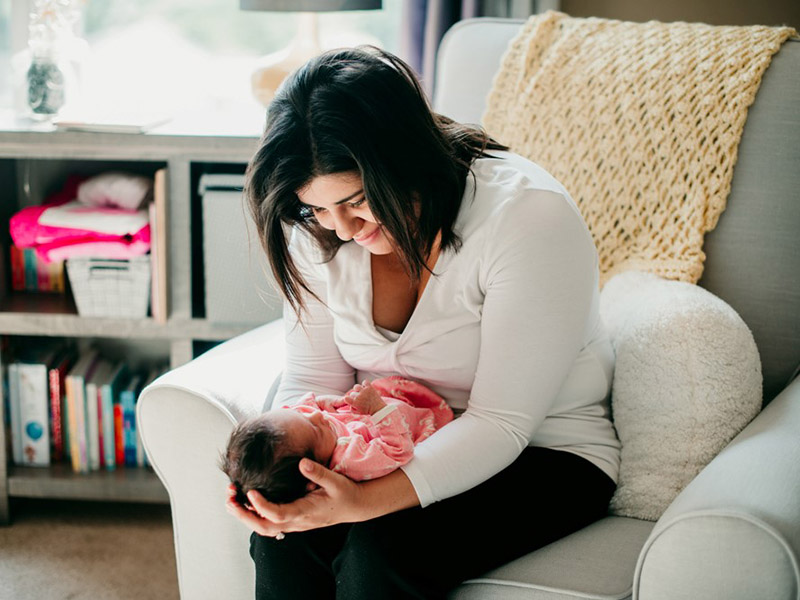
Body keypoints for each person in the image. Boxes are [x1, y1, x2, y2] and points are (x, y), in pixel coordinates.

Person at [227, 45, 621, 599]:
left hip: (543, 451)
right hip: (381, 441)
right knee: (283, 537)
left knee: (382, 546)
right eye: (318, 209)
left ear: (403, 157)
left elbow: (501, 423)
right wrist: (282, 476)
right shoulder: (317, 228)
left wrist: (362, 501)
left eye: (359, 200)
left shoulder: (528, 219)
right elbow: (314, 386)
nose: (341, 230)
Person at [221, 376, 454, 506]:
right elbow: (399, 450)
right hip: (420, 422)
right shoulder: (351, 459)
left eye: (301, 415)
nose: (316, 415)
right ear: (316, 471)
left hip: (388, 393)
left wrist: (332, 403)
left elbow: (311, 404)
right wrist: (377, 409)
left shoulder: (298, 426)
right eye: (315, 428)